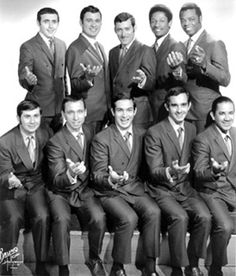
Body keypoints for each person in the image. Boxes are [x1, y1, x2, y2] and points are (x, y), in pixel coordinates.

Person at [90, 96, 161, 276]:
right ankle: (118, 266)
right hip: (110, 191)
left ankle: (150, 265)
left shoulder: (143, 133)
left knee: (154, 211)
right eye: (120, 110)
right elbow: (97, 174)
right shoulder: (101, 138)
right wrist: (111, 179)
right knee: (128, 218)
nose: (125, 115)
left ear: (135, 111)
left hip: (134, 189)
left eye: (129, 110)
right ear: (113, 112)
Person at [144, 87, 211, 276]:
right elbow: (154, 171)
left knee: (205, 217)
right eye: (174, 106)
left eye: (183, 105)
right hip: (162, 190)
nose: (179, 110)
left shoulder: (191, 128)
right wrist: (170, 170)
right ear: (167, 107)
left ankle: (193, 264)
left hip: (185, 189)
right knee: (180, 217)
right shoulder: (154, 132)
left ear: (189, 106)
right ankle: (177, 268)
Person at [45, 95, 106, 276]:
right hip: (60, 192)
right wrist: (71, 173)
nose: (76, 117)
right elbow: (56, 179)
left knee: (99, 217)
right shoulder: (55, 142)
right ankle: (63, 267)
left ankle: (94, 259)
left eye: (80, 111)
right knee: (62, 220)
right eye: (70, 112)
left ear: (86, 113)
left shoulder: (91, 132)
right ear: (63, 114)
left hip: (84, 190)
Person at [0, 100, 51, 276]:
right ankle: (5, 267)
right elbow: (2, 173)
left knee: (43, 217)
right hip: (12, 190)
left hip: (36, 186)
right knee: (13, 219)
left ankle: (41, 265)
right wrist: (9, 178)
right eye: (27, 116)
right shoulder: (5, 141)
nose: (32, 121)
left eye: (36, 116)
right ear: (18, 118)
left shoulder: (45, 133)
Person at [192, 96, 236, 276]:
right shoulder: (203, 139)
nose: (227, 118)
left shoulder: (235, 133)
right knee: (225, 226)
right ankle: (214, 267)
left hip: (231, 190)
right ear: (213, 115)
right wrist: (214, 171)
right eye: (222, 114)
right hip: (212, 191)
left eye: (230, 113)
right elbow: (199, 172)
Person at [179, 2, 230, 133]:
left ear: (200, 19)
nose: (186, 23)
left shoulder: (214, 43)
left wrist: (205, 65)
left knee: (204, 152)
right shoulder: (183, 45)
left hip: (205, 114)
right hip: (184, 112)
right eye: (183, 20)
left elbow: (225, 79)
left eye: (191, 19)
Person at [18, 7, 67, 133]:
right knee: (40, 150)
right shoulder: (28, 46)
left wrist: (65, 104)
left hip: (58, 110)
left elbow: (63, 79)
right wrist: (29, 79)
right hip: (38, 111)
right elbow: (24, 74)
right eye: (46, 22)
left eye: (54, 22)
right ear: (38, 23)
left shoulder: (62, 45)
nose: (51, 26)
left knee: (57, 149)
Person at [66, 5, 110, 134]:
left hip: (104, 113)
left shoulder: (100, 46)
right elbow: (75, 84)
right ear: (81, 22)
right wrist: (88, 79)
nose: (93, 24)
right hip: (88, 115)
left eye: (97, 21)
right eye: (89, 20)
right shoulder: (75, 48)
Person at [109, 12, 156, 129]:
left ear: (134, 28)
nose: (123, 34)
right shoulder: (113, 52)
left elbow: (152, 83)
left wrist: (144, 81)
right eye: (119, 29)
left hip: (138, 113)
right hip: (118, 112)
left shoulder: (145, 50)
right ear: (115, 30)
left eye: (127, 29)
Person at [148, 4, 187, 123]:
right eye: (153, 21)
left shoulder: (176, 45)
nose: (157, 25)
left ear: (169, 23)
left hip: (166, 109)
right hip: (150, 109)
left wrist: (177, 70)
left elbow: (183, 79)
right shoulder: (149, 49)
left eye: (161, 21)